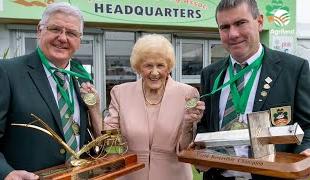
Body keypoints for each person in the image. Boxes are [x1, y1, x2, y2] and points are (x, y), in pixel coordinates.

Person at [196, 0, 310, 179]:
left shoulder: (294, 69)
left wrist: (305, 150)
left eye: (240, 23)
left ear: (259, 22)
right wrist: (200, 148)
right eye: (224, 27)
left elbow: (307, 125)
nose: (233, 34)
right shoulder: (210, 74)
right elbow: (205, 125)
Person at [0, 2, 94, 179]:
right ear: (40, 30)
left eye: (71, 33)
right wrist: (5, 173)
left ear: (79, 40)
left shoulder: (81, 77)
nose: (63, 38)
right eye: (55, 29)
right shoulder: (6, 73)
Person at [80, 34, 205, 180]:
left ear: (169, 67)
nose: (154, 72)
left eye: (160, 65)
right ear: (138, 67)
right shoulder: (121, 93)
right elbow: (106, 142)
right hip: (130, 175)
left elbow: (185, 149)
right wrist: (94, 109)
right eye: (148, 65)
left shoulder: (187, 94)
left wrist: (188, 124)